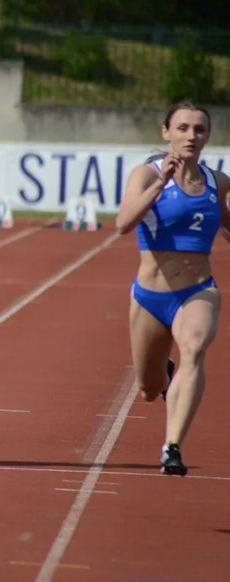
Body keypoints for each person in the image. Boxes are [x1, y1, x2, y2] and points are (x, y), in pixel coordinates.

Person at [114, 101, 229, 476]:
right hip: (150, 297)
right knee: (148, 390)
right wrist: (162, 181)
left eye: (199, 129)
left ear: (208, 136)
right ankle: (163, 376)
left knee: (194, 348)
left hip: (198, 291)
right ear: (166, 132)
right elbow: (123, 222)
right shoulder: (146, 175)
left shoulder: (217, 182)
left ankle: (172, 447)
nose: (191, 136)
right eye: (182, 128)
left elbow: (226, 224)